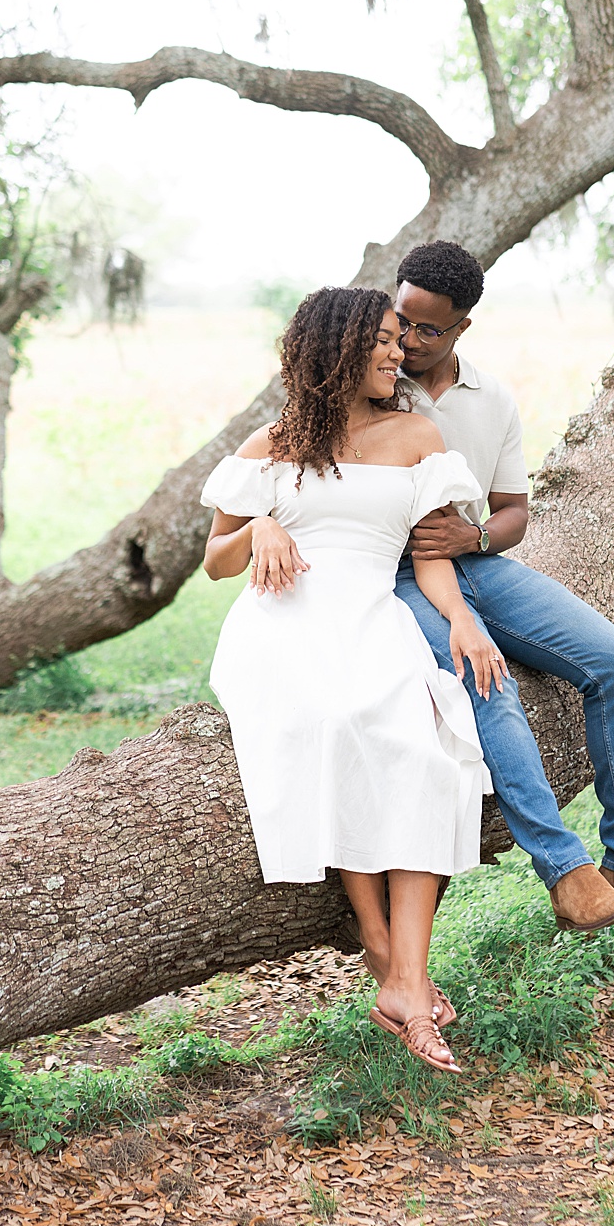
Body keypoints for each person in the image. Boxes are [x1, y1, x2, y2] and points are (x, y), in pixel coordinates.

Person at [246, 246, 614, 941]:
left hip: (472, 561)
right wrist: (262, 522)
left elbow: (513, 511)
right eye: (399, 321)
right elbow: (278, 472)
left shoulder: (489, 399)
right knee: (483, 677)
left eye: (425, 331)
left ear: (461, 329)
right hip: (394, 576)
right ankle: (565, 872)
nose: (405, 341)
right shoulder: (365, 379)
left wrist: (478, 542)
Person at [200, 285, 511, 1075]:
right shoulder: (274, 441)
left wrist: (463, 622)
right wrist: (262, 524)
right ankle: (384, 956)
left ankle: (403, 977)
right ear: (335, 347)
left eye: (399, 340)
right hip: (283, 620)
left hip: (372, 614)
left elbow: (432, 556)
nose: (396, 351)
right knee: (335, 725)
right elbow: (214, 560)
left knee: (420, 749)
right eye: (379, 339)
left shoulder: (417, 434)